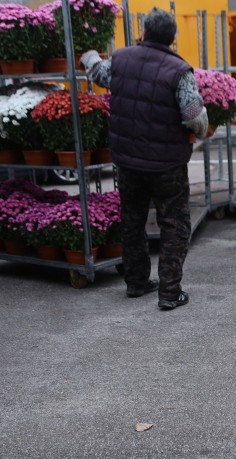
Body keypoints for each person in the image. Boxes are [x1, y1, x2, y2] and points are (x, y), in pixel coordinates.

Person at [81, 7, 208, 310]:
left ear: (144, 32)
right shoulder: (179, 70)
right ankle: (169, 292)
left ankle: (136, 283)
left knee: (132, 221)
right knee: (174, 225)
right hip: (168, 166)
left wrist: (88, 55)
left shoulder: (121, 59)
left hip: (128, 162)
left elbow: (98, 73)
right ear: (173, 38)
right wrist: (204, 128)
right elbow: (195, 118)